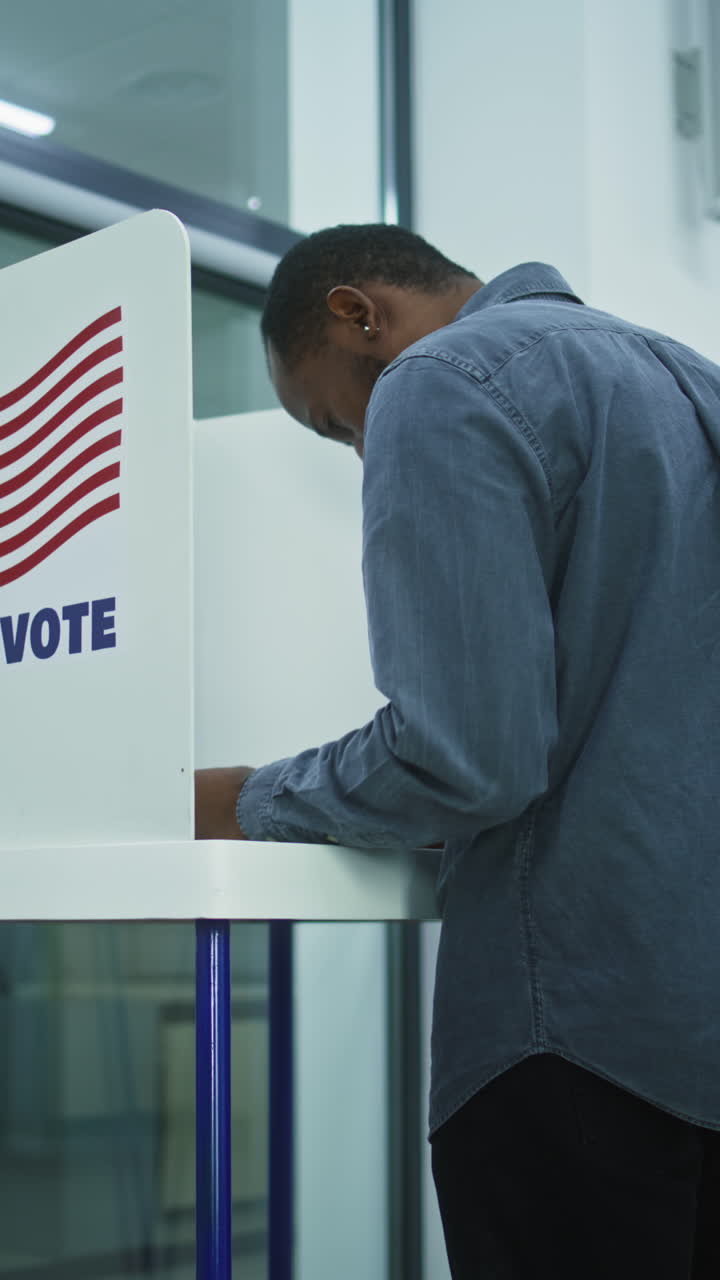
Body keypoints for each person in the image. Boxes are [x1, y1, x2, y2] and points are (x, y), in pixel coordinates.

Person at [194, 223, 720, 1278]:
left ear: (358, 314)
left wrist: (246, 798)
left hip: (572, 1035)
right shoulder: (691, 381)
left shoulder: (438, 382)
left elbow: (467, 756)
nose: (360, 447)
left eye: (336, 418)